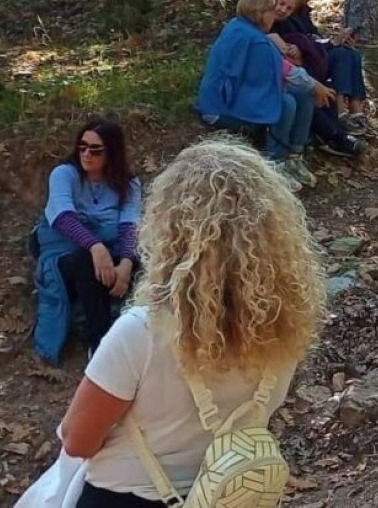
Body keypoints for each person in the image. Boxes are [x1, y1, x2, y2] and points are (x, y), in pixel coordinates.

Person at [44, 138, 325, 506]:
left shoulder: (143, 331)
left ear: (171, 227)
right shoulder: (283, 324)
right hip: (220, 493)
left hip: (124, 496)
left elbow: (77, 440)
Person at [32, 119, 141, 364]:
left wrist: (126, 263)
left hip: (111, 252)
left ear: (112, 152)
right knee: (85, 263)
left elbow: (130, 225)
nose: (86, 154)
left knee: (148, 263)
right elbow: (62, 216)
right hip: (65, 255)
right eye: (82, 147)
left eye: (95, 150)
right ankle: (100, 343)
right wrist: (95, 246)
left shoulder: (128, 184)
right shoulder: (64, 174)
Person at [195, 0, 316, 188]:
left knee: (302, 94)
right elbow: (270, 80)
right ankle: (274, 161)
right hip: (220, 107)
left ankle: (294, 155)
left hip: (232, 97)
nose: (275, 16)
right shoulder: (256, 40)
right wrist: (312, 86)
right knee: (286, 102)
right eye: (272, 11)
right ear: (260, 13)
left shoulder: (238, 26)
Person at [273, 0, 369, 121]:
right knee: (341, 54)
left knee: (350, 52)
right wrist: (332, 44)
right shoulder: (281, 17)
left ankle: (356, 108)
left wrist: (336, 40)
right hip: (302, 63)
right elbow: (302, 45)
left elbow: (314, 39)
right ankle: (340, 109)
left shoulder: (303, 13)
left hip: (315, 56)